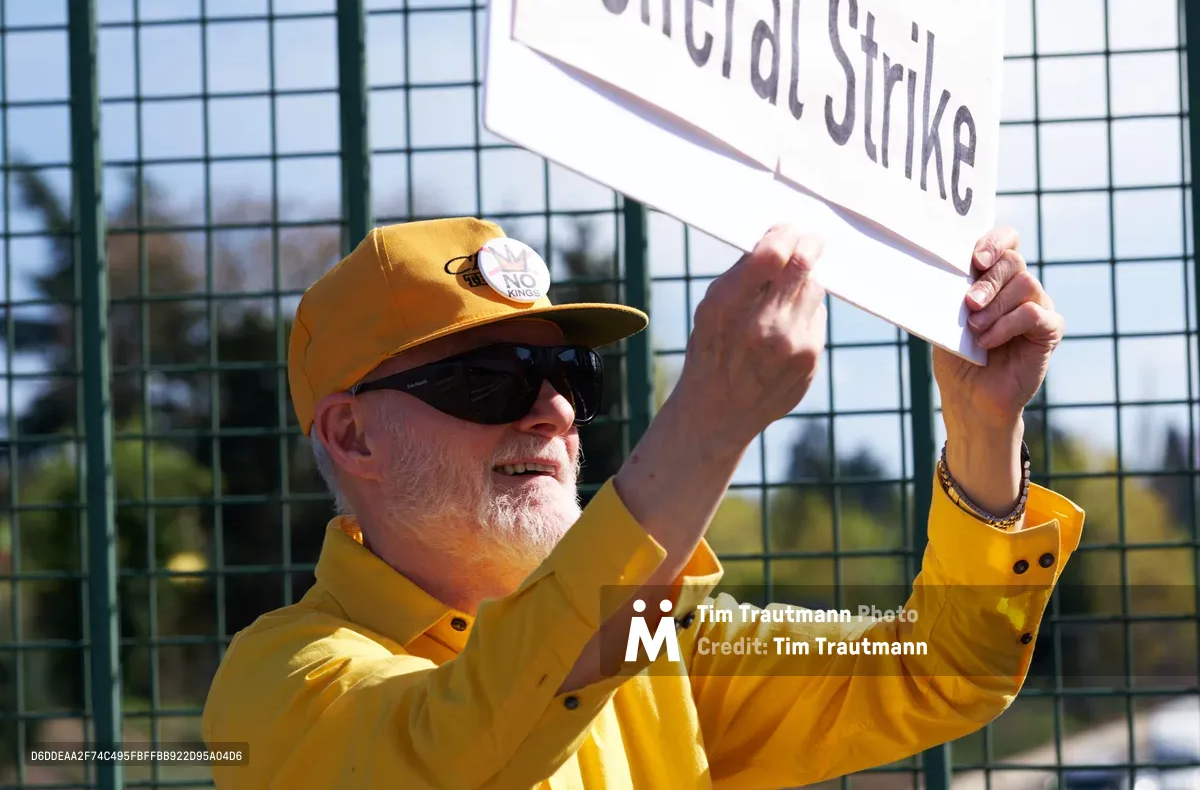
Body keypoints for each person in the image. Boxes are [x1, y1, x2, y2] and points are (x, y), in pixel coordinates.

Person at [201, 217, 1084, 788]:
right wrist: (709, 419)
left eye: (568, 375)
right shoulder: (280, 681)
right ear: (352, 436)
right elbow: (464, 752)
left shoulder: (642, 638)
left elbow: (942, 668)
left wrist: (981, 432)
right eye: (488, 379)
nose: (552, 410)